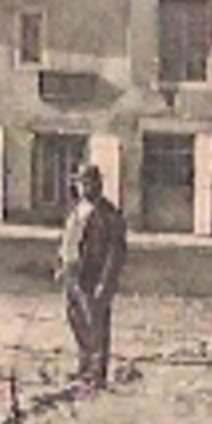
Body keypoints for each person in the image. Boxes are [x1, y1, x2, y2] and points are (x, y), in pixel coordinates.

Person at [57, 164, 127, 392]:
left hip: (93, 277)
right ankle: (84, 366)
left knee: (96, 324)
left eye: (87, 182)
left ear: (98, 184)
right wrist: (61, 265)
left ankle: (98, 374)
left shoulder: (109, 214)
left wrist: (105, 282)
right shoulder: (77, 209)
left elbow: (116, 252)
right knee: (76, 320)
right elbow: (68, 240)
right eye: (80, 182)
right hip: (72, 274)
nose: (82, 187)